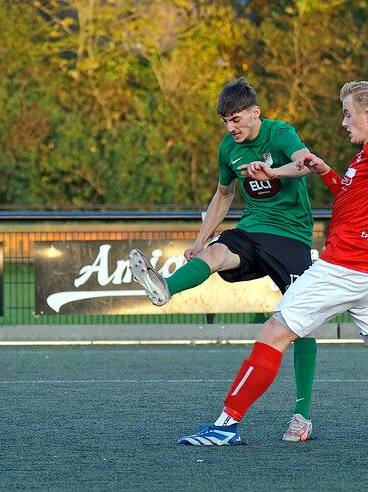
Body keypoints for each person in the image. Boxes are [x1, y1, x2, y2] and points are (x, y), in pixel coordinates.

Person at [177, 80, 368, 446]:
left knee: (274, 333)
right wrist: (325, 171)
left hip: (342, 267)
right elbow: (350, 196)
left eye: (348, 114)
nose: (344, 122)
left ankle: (225, 426)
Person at [128, 77, 318, 442]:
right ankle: (165, 288)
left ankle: (302, 415)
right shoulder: (228, 149)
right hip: (252, 228)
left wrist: (273, 171)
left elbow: (306, 164)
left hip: (291, 236)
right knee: (216, 253)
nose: (232, 128)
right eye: (226, 122)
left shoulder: (280, 134)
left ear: (255, 113)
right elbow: (223, 195)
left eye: (237, 120)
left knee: (303, 322)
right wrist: (199, 241)